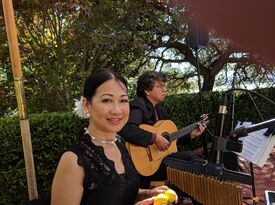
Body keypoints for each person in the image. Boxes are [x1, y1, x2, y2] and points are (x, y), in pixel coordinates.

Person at [51, 69, 177, 205]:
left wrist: (148, 194)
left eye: (123, 100)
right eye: (106, 100)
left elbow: (120, 194)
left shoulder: (119, 143)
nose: (117, 110)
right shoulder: (73, 161)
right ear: (87, 105)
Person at [118, 71, 206, 204]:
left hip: (160, 161)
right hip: (144, 167)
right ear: (147, 90)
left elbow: (169, 139)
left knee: (193, 163)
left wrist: (191, 135)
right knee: (190, 159)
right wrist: (154, 138)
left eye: (164, 85)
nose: (164, 89)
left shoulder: (161, 111)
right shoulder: (138, 105)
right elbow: (127, 129)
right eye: (160, 86)